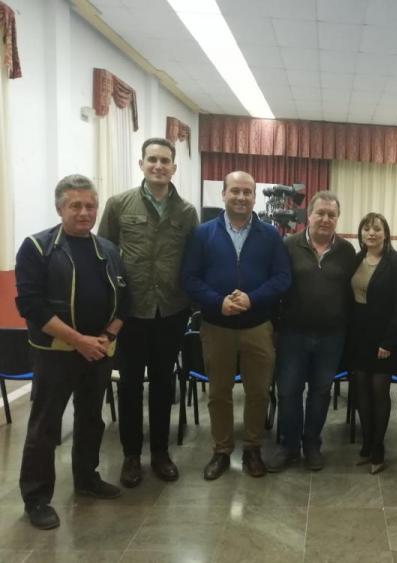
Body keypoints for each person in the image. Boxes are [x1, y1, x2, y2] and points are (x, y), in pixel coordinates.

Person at [15, 174, 129, 530]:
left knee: (91, 418)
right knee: (45, 426)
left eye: (90, 205)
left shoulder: (108, 250)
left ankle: (86, 479)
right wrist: (79, 339)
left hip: (98, 351)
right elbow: (31, 306)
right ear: (59, 208)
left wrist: (108, 335)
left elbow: (125, 298)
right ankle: (36, 498)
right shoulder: (37, 247)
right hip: (56, 352)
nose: (84, 212)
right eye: (75, 205)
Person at [98, 137, 199, 487]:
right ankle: (130, 455)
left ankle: (159, 452)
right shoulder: (118, 205)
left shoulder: (186, 212)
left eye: (165, 160)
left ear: (174, 167)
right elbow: (104, 256)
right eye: (152, 160)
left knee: (162, 384)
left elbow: (191, 260)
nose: (159, 166)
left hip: (171, 311)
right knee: (129, 386)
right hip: (131, 312)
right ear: (141, 164)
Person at [181, 171, 291, 480]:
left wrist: (252, 299)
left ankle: (253, 448)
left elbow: (283, 278)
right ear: (224, 194)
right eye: (235, 191)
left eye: (247, 192)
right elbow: (188, 278)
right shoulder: (203, 234)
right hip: (217, 327)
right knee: (219, 393)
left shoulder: (270, 234)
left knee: (258, 392)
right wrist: (218, 302)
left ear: (255, 197)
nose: (241, 197)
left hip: (258, 326)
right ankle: (221, 450)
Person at [269, 191, 357, 472]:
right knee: (289, 392)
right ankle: (289, 446)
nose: (326, 219)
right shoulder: (288, 245)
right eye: (320, 213)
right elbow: (277, 288)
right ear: (309, 216)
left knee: (320, 393)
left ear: (337, 218)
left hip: (332, 337)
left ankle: (312, 444)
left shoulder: (346, 251)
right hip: (293, 334)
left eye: (332, 215)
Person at [347, 212, 397, 474]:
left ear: (386, 233)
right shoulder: (356, 258)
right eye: (366, 229)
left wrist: (389, 340)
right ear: (361, 233)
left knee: (379, 391)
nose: (371, 233)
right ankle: (367, 442)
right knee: (360, 390)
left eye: (377, 229)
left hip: (384, 335)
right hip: (358, 334)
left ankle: (379, 447)